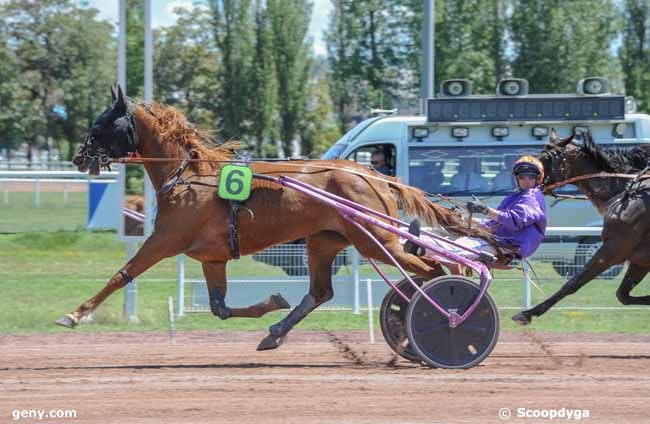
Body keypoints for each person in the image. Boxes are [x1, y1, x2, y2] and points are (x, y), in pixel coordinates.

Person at [404, 155, 547, 269]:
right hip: (496, 239)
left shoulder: (532, 198)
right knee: (443, 229)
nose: (526, 180)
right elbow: (493, 223)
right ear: (517, 178)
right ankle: (406, 239)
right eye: (522, 176)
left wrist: (484, 209)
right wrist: (466, 219)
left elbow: (514, 221)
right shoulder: (516, 196)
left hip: (508, 246)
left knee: (461, 246)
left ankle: (420, 248)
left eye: (531, 176)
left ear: (538, 179)